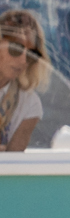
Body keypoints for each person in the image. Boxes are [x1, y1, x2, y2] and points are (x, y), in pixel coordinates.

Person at [0, 9, 47, 153]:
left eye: (31, 55)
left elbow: (13, 166)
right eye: (16, 49)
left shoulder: (29, 104)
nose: (22, 61)